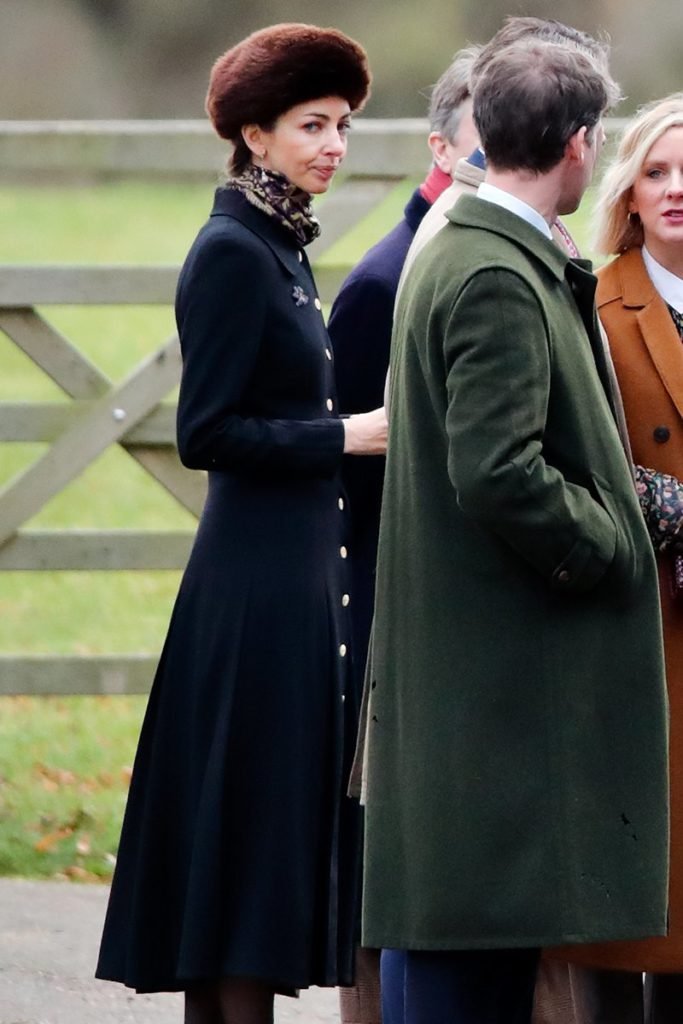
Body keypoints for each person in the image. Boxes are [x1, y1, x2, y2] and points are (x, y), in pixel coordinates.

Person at [361, 39, 669, 1024]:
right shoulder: (493, 270)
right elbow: (497, 473)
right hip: (486, 682)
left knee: (447, 935)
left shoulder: (467, 240)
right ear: (578, 144)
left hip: (469, 676)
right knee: (466, 955)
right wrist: (611, 540)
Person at [95, 23, 387, 1024]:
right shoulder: (231, 251)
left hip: (290, 583)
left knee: (249, 857)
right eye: (312, 125)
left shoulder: (282, 245)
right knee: (239, 864)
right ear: (253, 136)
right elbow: (207, 431)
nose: (333, 145)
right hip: (251, 591)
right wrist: (349, 435)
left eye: (342, 125)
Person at [327, 47, 480, 1024]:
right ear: (440, 146)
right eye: (483, 147)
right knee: (390, 878)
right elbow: (353, 483)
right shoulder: (386, 282)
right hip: (400, 620)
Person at [544, 94, 683, 1024]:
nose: (675, 190)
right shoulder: (595, 302)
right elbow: (578, 467)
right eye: (657, 171)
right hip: (641, 632)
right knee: (628, 915)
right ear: (626, 190)